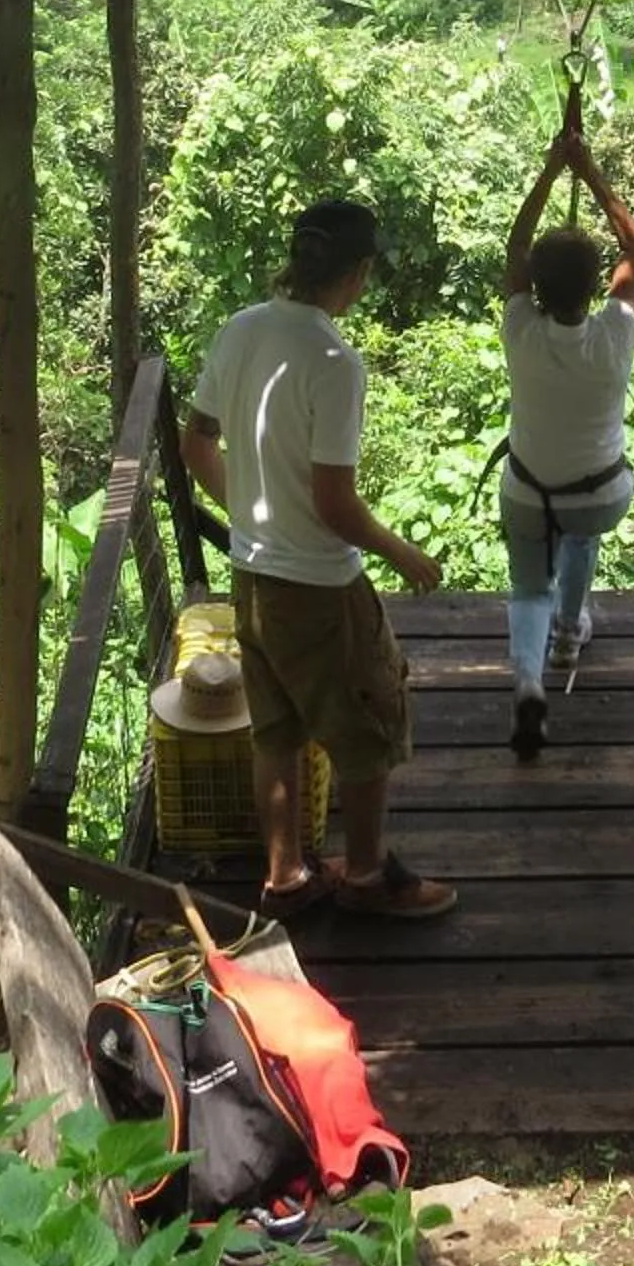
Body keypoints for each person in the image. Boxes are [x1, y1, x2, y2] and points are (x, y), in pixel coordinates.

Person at [181, 199, 457, 922]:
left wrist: (245, 510)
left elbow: (196, 441)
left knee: (275, 731)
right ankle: (365, 876)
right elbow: (336, 503)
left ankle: (286, 877)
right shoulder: (334, 362)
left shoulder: (241, 329)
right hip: (318, 587)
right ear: (358, 273)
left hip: (253, 578)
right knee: (368, 729)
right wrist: (404, 553)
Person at [495, 92, 634, 760]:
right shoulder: (615, 333)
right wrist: (588, 171)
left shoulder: (520, 331)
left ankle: (530, 679)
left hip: (528, 492)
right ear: (596, 288)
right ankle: (569, 629)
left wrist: (553, 169)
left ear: (536, 285)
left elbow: (517, 244)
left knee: (528, 582)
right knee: (583, 530)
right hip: (600, 494)